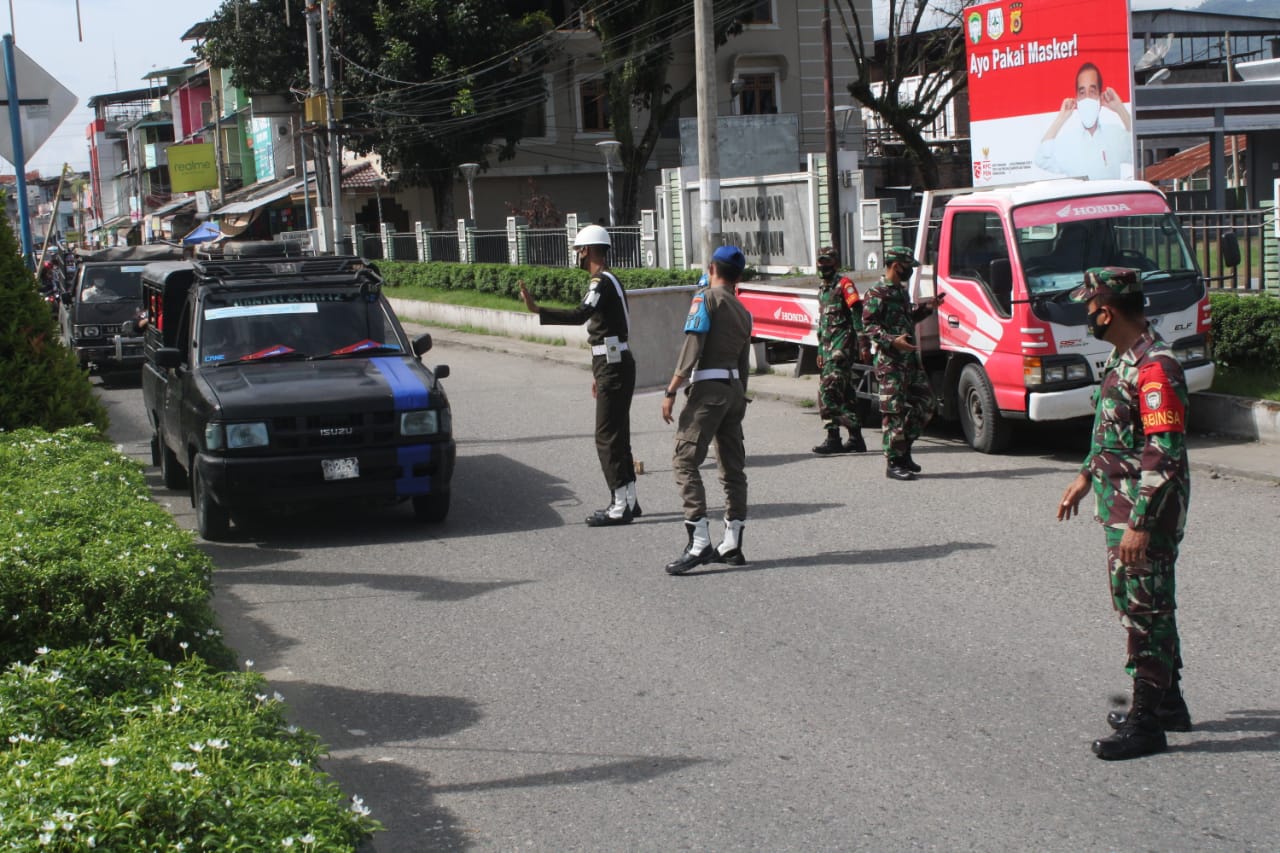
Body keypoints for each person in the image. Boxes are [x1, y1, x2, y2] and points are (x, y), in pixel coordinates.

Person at [1056, 267, 1192, 761]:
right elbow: (1113, 435)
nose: (1086, 317)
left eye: (1088, 309)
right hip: (1123, 504)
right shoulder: (1123, 358)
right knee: (1151, 604)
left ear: (1106, 310)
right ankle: (1168, 703)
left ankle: (1146, 723)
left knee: (1144, 611)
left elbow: (1164, 454)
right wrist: (1085, 475)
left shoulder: (1156, 368)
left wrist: (1140, 523)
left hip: (1144, 511)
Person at [519, 224, 641, 526]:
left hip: (612, 364)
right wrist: (597, 373)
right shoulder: (610, 280)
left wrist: (538, 309)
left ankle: (619, 504)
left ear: (586, 250)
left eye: (578, 250)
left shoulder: (600, 282)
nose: (576, 255)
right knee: (617, 435)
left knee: (606, 437)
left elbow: (580, 315)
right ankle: (629, 500)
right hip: (612, 362)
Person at [660, 245, 754, 575]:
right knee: (732, 467)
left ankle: (699, 541)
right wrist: (740, 397)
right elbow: (744, 363)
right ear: (738, 276)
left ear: (712, 267)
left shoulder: (706, 299)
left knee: (684, 459)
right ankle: (732, 542)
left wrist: (672, 387)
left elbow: (693, 344)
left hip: (709, 391)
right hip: (734, 392)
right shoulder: (744, 311)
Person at [861, 247, 941, 481]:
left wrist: (926, 309)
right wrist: (892, 341)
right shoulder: (877, 293)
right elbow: (868, 326)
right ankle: (893, 462)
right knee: (893, 412)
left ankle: (903, 449)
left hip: (910, 362)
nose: (910, 272)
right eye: (908, 267)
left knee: (926, 404)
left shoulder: (900, 291)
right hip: (891, 364)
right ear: (896, 265)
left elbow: (906, 318)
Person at [812, 246, 869, 455]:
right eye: (820, 261)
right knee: (846, 394)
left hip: (842, 348)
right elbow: (823, 323)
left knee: (827, 391)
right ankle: (856, 438)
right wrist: (819, 350)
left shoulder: (844, 285)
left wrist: (863, 344)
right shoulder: (823, 289)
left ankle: (833, 437)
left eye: (827, 262)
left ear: (835, 263)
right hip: (828, 349)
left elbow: (857, 315)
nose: (822, 265)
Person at [1034, 62, 1133, 181]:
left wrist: (1120, 109)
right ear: (1076, 99)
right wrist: (1061, 118)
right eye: (1082, 92)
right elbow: (1041, 159)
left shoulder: (1115, 135)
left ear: (1100, 98)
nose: (1087, 98)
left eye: (1092, 92)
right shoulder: (1068, 143)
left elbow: (1136, 152)